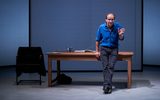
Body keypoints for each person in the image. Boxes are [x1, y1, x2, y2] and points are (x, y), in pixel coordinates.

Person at [95, 13, 125, 94]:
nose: (110, 21)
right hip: (103, 49)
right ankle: (108, 86)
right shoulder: (101, 27)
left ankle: (106, 86)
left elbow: (121, 38)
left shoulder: (118, 26)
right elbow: (97, 40)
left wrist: (121, 34)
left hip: (114, 49)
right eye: (109, 19)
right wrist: (97, 51)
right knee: (105, 67)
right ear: (106, 20)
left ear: (114, 20)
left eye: (112, 19)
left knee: (111, 67)